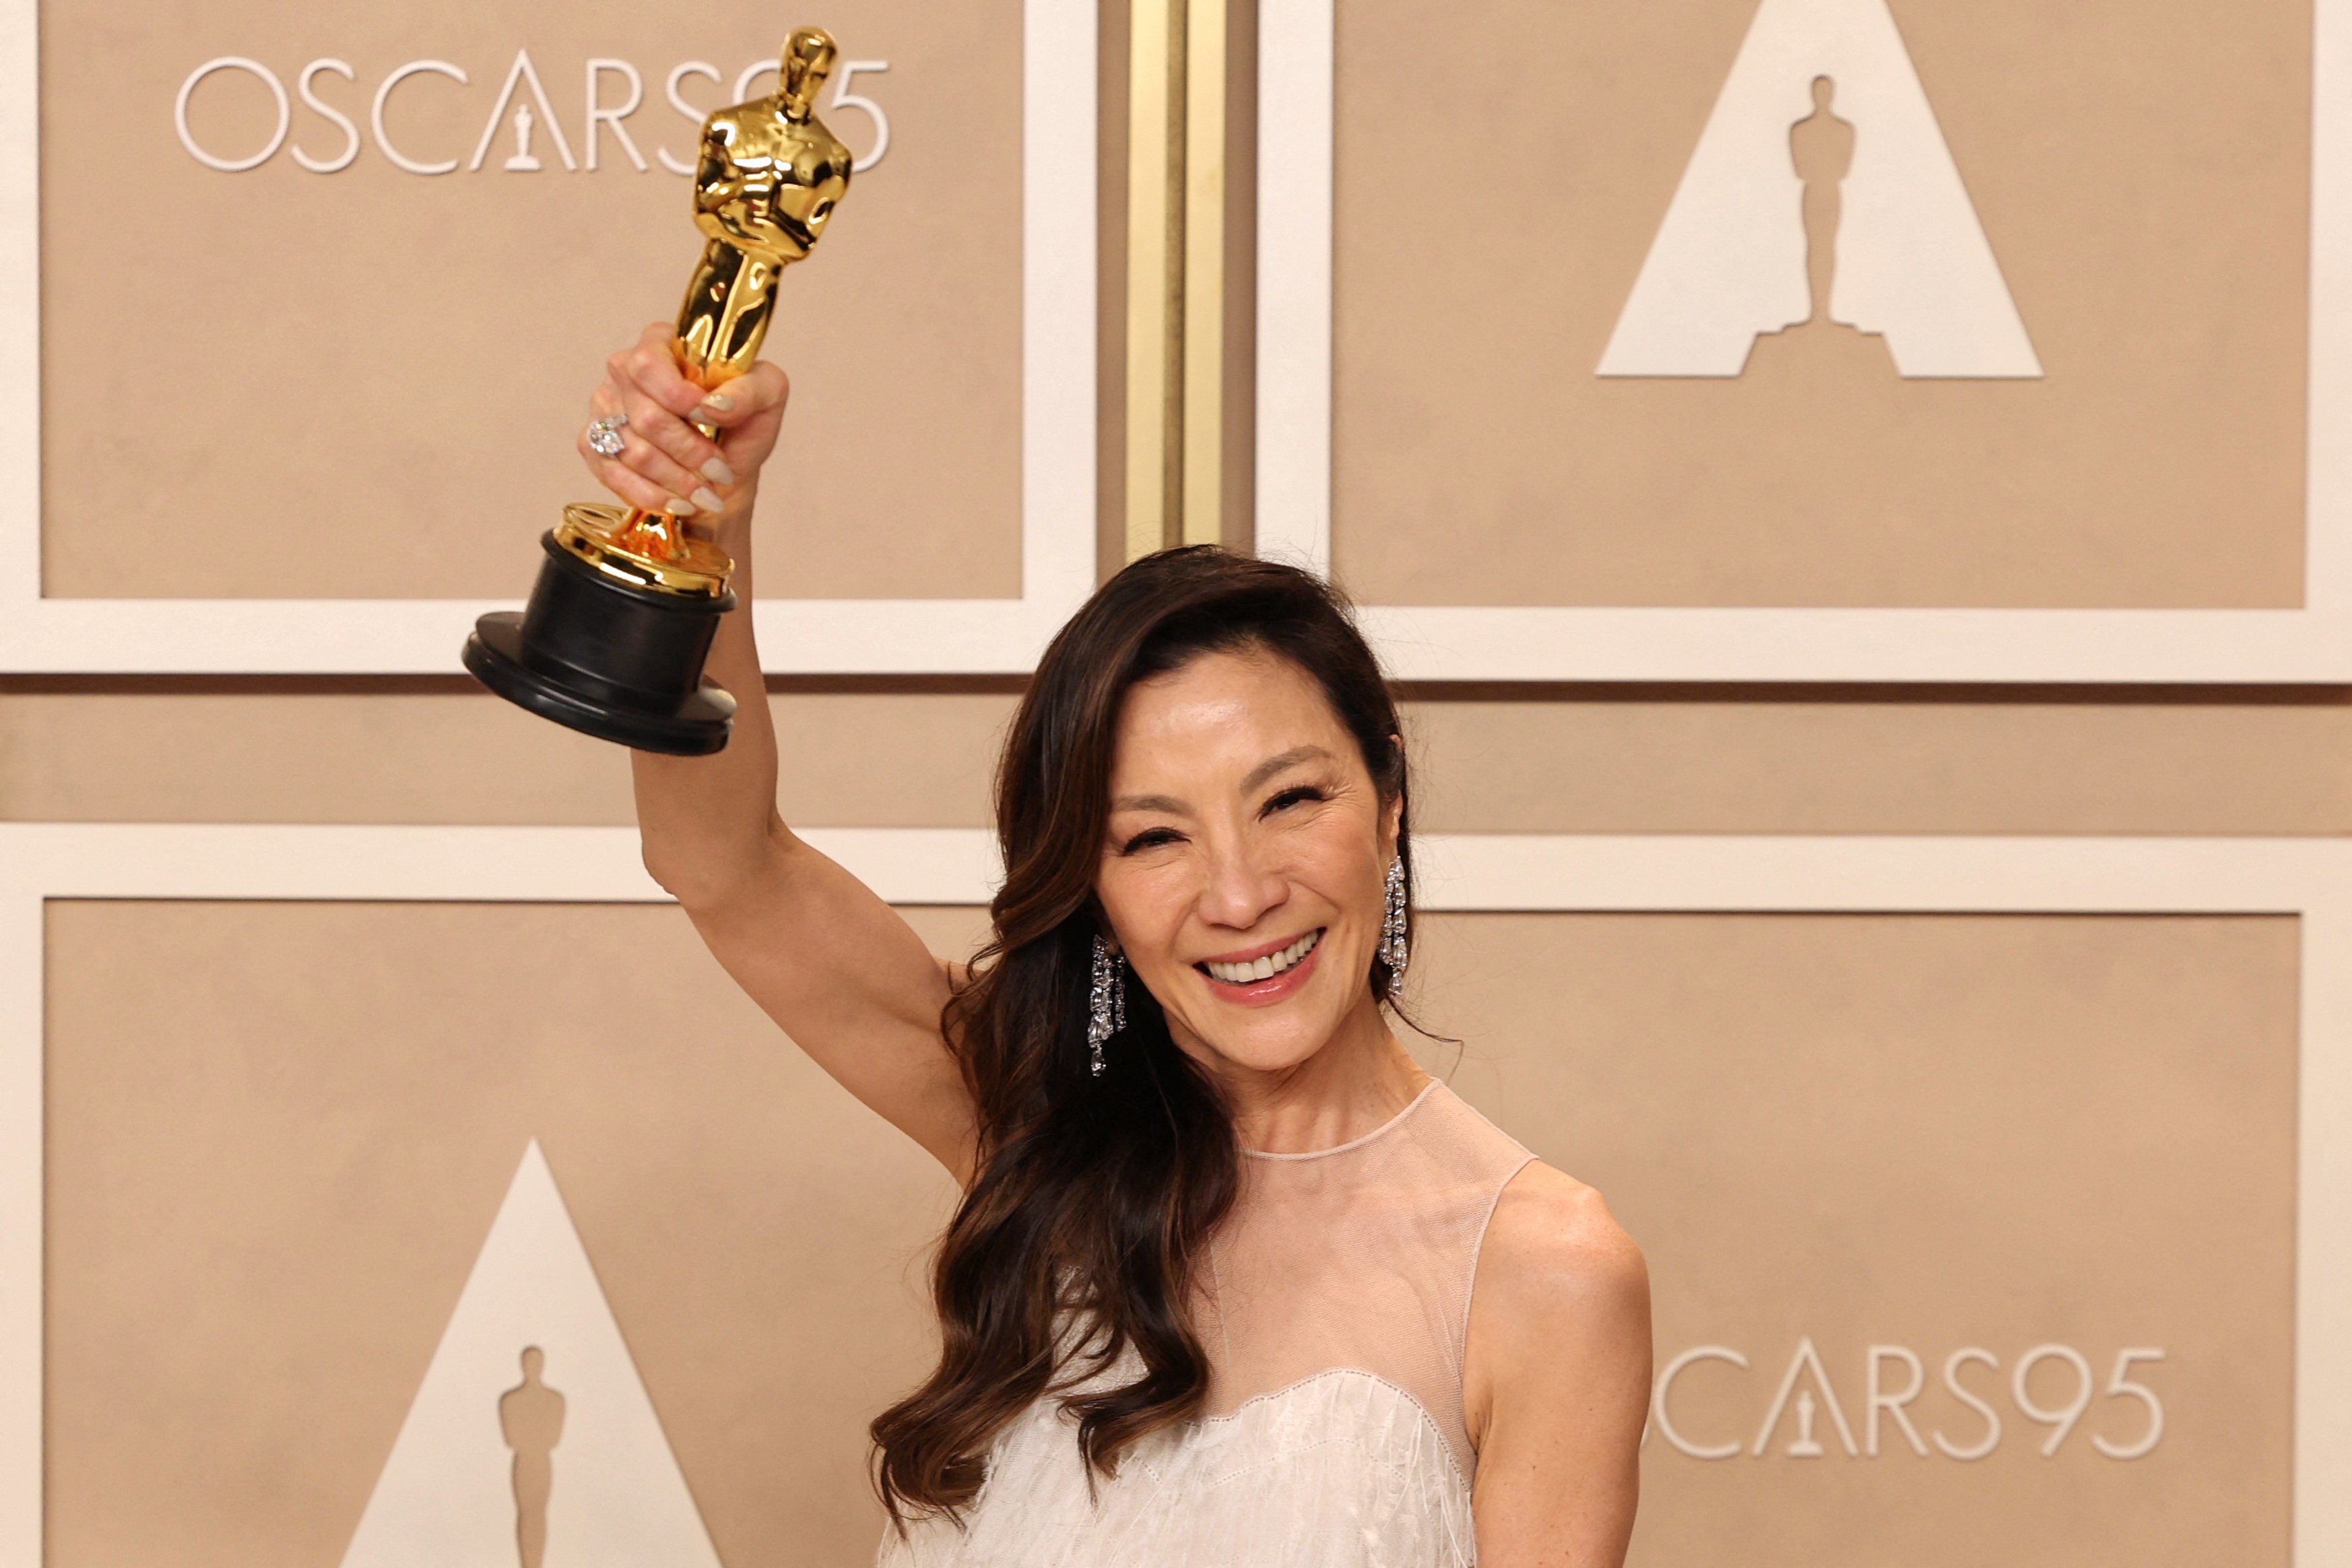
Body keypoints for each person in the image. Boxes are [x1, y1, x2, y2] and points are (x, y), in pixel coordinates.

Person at [575, 323, 1653, 1566]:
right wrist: (701, 531)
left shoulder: (1546, 1271)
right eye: (1153, 839)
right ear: (1090, 879)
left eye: (1292, 800)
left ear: (1389, 797)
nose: (1241, 895)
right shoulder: (1042, 1119)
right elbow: (723, 866)